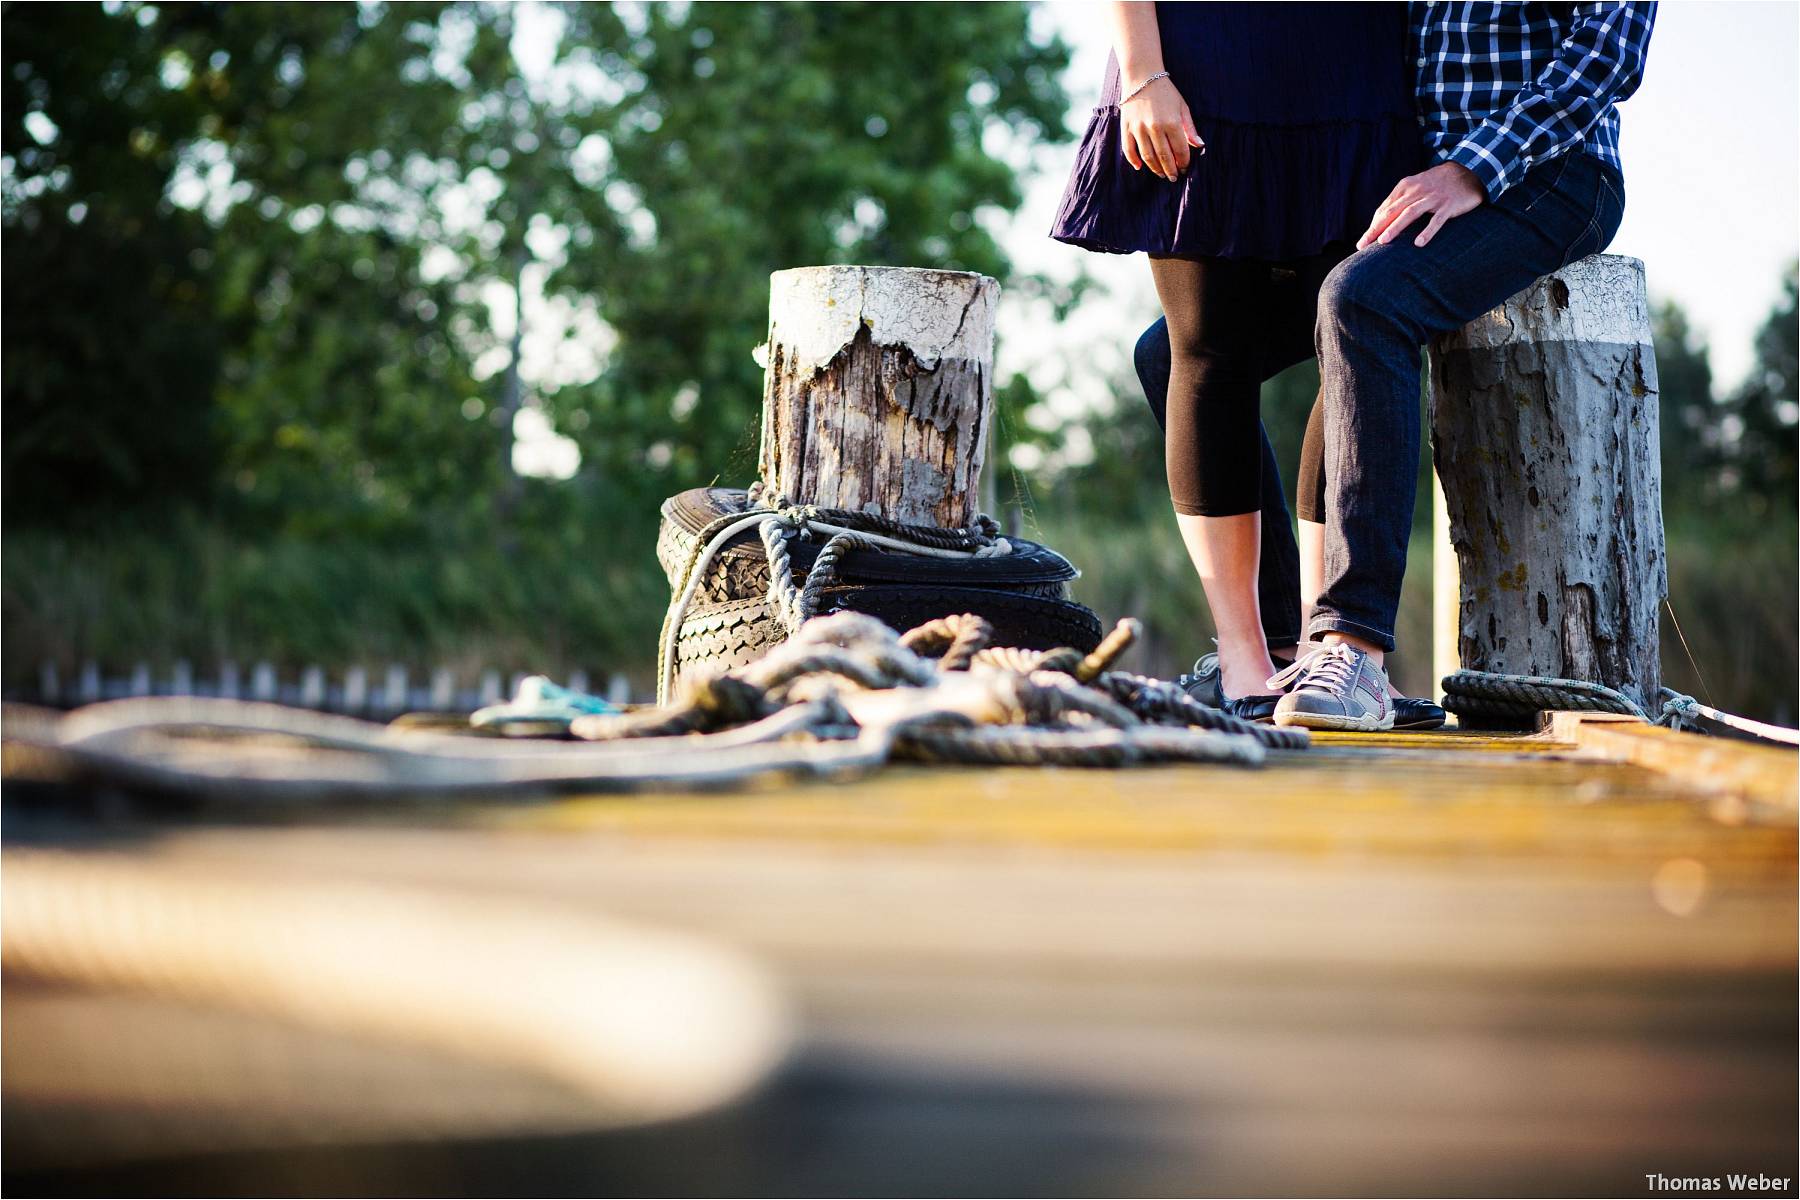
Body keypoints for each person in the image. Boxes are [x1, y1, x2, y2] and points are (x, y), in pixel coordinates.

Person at [1271, 2, 1657, 731]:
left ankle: (1355, 650)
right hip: (1410, 188)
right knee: (1175, 350)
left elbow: (1607, 54)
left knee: (1364, 302)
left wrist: (1475, 168)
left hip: (1551, 172)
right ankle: (1275, 651)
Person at [1051, 3, 1423, 720]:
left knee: (1352, 338)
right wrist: (1141, 72)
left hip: (1361, 68)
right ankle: (1245, 661)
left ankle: (1329, 655)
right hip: (1199, 60)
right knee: (1208, 348)